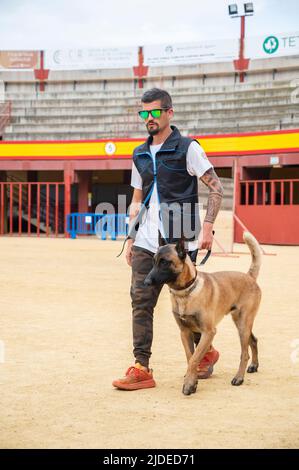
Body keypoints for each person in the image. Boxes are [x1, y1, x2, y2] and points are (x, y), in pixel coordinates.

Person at [112, 88, 223, 390]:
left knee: (190, 306)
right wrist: (132, 236)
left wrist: (209, 226)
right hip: (147, 242)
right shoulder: (138, 153)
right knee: (140, 301)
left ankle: (206, 353)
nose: (148, 118)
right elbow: (137, 196)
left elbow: (215, 188)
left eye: (154, 112)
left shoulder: (188, 148)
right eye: (143, 113)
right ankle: (141, 367)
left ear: (169, 113)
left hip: (179, 243)